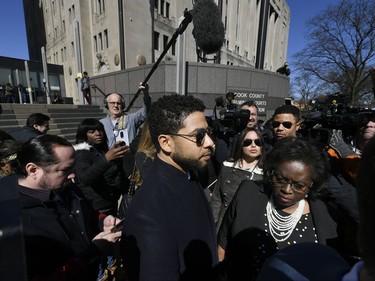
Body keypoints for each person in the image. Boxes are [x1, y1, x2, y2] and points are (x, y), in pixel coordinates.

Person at [217, 137, 344, 280]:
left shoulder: (327, 216)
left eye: (298, 185)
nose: (287, 189)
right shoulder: (248, 194)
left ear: (311, 185)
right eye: (280, 179)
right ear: (271, 173)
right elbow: (222, 246)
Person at [121, 94, 218, 280]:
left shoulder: (188, 173)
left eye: (208, 132)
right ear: (166, 142)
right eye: (198, 136)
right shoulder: (149, 209)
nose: (209, 142)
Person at [0, 134, 122, 280]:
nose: (72, 175)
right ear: (33, 170)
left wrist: (103, 221)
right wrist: (92, 252)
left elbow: (87, 212)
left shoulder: (65, 187)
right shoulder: (13, 221)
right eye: (65, 170)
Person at [210, 127, 265, 232]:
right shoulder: (227, 166)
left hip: (247, 227)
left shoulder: (265, 173)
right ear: (240, 145)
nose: (253, 145)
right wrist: (212, 226)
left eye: (258, 142)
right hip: (222, 223)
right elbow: (217, 199)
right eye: (248, 142)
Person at [73, 118, 129, 216]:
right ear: (84, 134)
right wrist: (107, 158)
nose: (98, 134)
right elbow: (85, 178)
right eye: (92, 132)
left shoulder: (102, 149)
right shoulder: (82, 153)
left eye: (100, 130)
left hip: (112, 200)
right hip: (97, 207)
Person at [100, 83, 151, 148]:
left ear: (122, 105)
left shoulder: (131, 119)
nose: (115, 105)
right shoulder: (102, 123)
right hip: (111, 156)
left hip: (129, 156)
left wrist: (146, 93)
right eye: (112, 103)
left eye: (118, 103)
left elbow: (146, 111)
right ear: (107, 105)